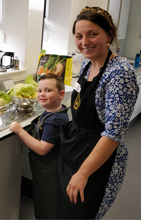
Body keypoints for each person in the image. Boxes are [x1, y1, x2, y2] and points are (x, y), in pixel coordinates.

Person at [57, 6, 139, 219]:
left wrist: (83, 173)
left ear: (109, 35)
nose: (85, 42)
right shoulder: (86, 64)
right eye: (79, 36)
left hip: (96, 160)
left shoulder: (120, 74)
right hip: (75, 149)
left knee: (82, 212)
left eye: (93, 34)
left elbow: (113, 133)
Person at [9, 73, 69, 219]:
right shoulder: (54, 111)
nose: (42, 94)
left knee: (46, 204)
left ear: (61, 94)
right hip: (45, 168)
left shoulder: (54, 120)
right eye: (39, 90)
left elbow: (42, 149)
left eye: (48, 90)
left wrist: (20, 131)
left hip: (49, 170)